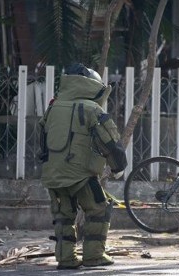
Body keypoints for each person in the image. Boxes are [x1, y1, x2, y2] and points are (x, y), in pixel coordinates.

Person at [39, 63, 127, 269]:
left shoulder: (53, 107)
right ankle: (94, 255)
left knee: (63, 215)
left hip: (53, 172)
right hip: (81, 174)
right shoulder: (91, 109)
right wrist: (118, 166)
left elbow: (42, 139)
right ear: (92, 85)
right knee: (98, 209)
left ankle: (65, 259)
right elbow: (109, 141)